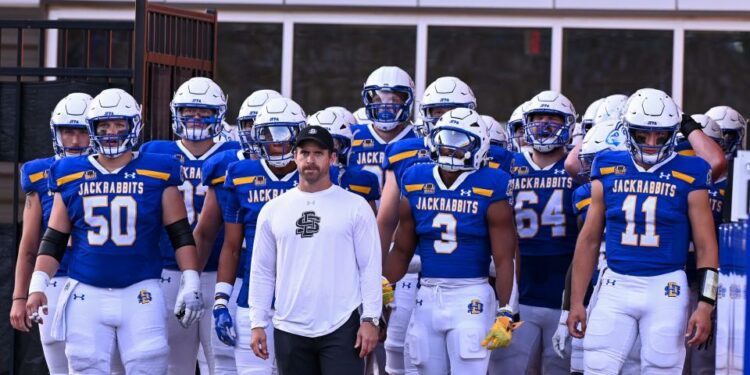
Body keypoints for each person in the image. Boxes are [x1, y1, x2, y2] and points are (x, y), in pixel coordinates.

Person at [25, 88, 204, 373]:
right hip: (86, 291)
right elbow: (54, 239)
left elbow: (180, 233)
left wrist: (192, 281)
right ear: (92, 128)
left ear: (134, 126)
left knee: (149, 363)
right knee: (84, 364)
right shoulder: (69, 172)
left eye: (120, 124)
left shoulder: (157, 170)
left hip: (141, 288)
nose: (111, 132)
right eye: (104, 125)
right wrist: (37, 286)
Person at [568, 88, 718, 374]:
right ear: (627, 131)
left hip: (666, 287)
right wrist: (577, 301)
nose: (651, 143)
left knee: (662, 367)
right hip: (616, 284)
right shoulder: (609, 164)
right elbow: (588, 239)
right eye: (642, 135)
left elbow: (707, 246)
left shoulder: (691, 169)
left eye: (661, 135)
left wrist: (705, 304)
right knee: (597, 366)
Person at [248, 125, 382, 375]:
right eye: (304, 152)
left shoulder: (355, 206)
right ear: (294, 156)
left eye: (318, 153)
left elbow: (370, 267)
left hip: (342, 324)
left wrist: (370, 319)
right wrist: (257, 322)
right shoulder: (273, 209)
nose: (310, 160)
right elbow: (263, 271)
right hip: (289, 325)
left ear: (332, 157)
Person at [139, 76, 239, 375]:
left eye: (204, 112)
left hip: (219, 272)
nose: (195, 118)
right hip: (169, 270)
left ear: (219, 114)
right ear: (175, 113)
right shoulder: (153, 153)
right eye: (188, 112)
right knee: (172, 362)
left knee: (222, 362)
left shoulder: (232, 155)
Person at [378, 76, 476, 374]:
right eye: (437, 112)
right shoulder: (406, 151)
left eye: (454, 111)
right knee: (400, 347)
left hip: (465, 271)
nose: (445, 120)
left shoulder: (484, 153)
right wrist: (379, 275)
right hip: (412, 262)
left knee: (462, 354)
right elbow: (387, 219)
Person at [213, 96, 307, 374]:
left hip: (304, 304)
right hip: (253, 303)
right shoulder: (240, 174)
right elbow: (231, 246)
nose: (276, 142)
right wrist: (221, 301)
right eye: (268, 134)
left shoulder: (318, 175)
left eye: (284, 134)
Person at [194, 88, 283, 375]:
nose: (259, 132)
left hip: (289, 283)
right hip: (240, 279)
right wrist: (192, 281)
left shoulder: (304, 168)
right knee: (223, 361)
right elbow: (208, 232)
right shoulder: (229, 167)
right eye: (251, 124)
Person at [491, 90, 580, 375]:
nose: (544, 125)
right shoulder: (506, 165)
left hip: (564, 283)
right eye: (537, 118)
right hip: (518, 282)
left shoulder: (578, 169)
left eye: (552, 119)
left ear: (568, 125)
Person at [10, 93, 92, 375]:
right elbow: (29, 244)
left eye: (82, 131)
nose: (74, 140)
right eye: (67, 131)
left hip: (98, 280)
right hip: (54, 280)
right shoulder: (39, 173)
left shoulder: (117, 171)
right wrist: (20, 296)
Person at [351, 66, 418, 187]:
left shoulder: (418, 139)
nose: (385, 107)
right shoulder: (351, 136)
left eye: (394, 100)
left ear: (408, 101)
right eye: (378, 100)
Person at [307, 108, 380, 209]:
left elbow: (370, 222)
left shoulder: (361, 180)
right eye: (318, 144)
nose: (325, 151)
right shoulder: (298, 179)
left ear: (343, 146)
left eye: (332, 143)